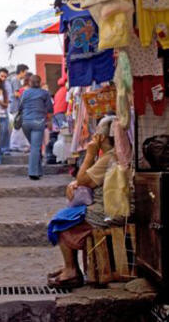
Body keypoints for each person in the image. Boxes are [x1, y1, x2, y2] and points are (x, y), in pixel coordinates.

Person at [47, 115, 120, 289]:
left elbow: (82, 179)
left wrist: (90, 154)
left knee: (61, 222)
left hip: (107, 211)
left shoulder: (108, 157)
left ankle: (71, 270)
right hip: (110, 206)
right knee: (69, 215)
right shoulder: (115, 154)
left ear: (101, 137)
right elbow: (86, 180)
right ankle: (69, 266)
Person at [20, 74, 53, 180]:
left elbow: (20, 107)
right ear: (40, 82)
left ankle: (38, 170)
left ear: (29, 82)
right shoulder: (44, 93)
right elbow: (50, 109)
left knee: (35, 145)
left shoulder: (25, 93)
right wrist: (50, 121)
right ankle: (33, 172)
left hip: (25, 122)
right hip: (38, 121)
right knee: (35, 147)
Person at [9, 64, 29, 152]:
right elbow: (17, 94)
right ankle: (14, 145)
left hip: (16, 106)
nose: (25, 74)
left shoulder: (14, 80)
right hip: (16, 107)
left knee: (18, 126)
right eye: (25, 72)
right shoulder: (15, 80)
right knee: (17, 126)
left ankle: (17, 145)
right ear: (21, 71)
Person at [0, 67, 11, 155]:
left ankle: (5, 149)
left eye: (5, 77)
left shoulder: (7, 85)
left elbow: (9, 99)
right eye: (2, 76)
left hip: (4, 110)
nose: (3, 78)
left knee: (5, 130)